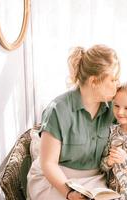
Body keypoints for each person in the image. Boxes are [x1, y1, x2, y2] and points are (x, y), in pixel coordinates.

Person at [27, 44, 120, 200]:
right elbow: (48, 164)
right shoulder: (58, 110)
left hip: (94, 181)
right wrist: (69, 193)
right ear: (94, 81)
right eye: (113, 79)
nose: (118, 84)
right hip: (55, 179)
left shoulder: (113, 107)